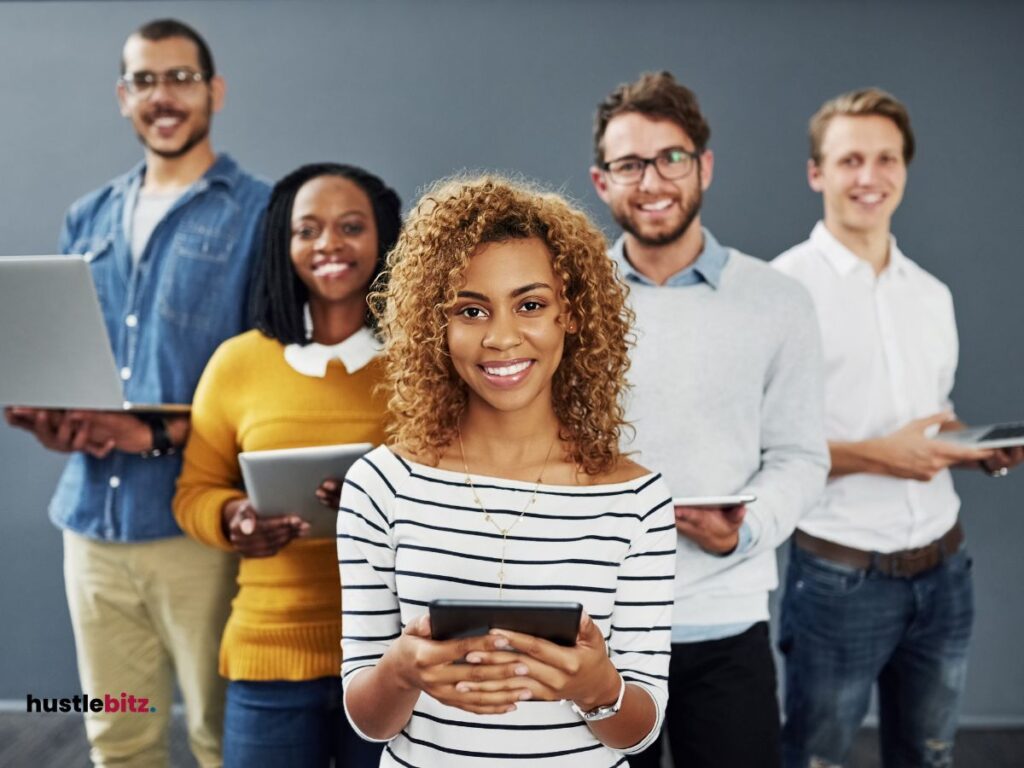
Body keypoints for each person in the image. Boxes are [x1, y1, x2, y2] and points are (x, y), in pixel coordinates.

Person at [337, 176, 676, 766]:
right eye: (471, 310)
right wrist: (400, 671)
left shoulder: (637, 499)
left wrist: (598, 687)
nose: (501, 337)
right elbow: (368, 722)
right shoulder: (381, 486)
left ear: (569, 315)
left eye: (530, 304)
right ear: (434, 327)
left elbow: (639, 730)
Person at [3, 19, 270, 767]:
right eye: (146, 81)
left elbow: (264, 389)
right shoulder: (87, 216)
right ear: (124, 97)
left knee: (221, 738)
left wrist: (150, 431)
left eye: (181, 77)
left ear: (213, 90)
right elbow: (67, 362)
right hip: (90, 523)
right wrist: (53, 419)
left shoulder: (260, 213)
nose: (164, 96)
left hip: (197, 528)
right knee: (115, 734)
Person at [773, 87, 1024, 768]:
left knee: (931, 757)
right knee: (815, 759)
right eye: (850, 158)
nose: (869, 177)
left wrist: (970, 447)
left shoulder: (931, 294)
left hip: (946, 571)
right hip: (838, 580)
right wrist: (883, 456)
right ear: (816, 173)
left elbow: (931, 416)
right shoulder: (780, 294)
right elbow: (761, 451)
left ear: (904, 171)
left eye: (886, 159)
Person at [589, 71, 830, 768]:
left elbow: (800, 456)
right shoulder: (569, 301)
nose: (653, 179)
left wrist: (745, 530)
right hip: (597, 628)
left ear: (704, 167)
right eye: (629, 163)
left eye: (671, 157)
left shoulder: (778, 301)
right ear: (603, 183)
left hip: (727, 624)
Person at [172, 163, 399, 768]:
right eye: (309, 229)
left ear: (383, 239)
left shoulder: (420, 365)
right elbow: (193, 492)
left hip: (393, 656)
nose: (329, 243)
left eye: (351, 226)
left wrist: (382, 501)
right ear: (284, 242)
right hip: (268, 650)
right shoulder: (238, 363)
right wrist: (235, 518)